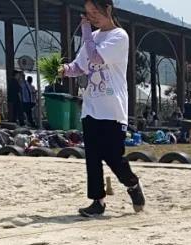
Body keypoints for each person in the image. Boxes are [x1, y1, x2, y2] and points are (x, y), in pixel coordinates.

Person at [60, 0, 145, 217]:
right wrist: (63, 69)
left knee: (113, 156)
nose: (91, 17)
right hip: (91, 107)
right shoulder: (93, 37)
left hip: (113, 109)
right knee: (93, 157)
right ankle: (97, 201)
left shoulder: (119, 36)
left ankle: (132, 184)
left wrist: (87, 32)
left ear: (107, 9)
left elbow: (96, 57)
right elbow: (80, 66)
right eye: (88, 13)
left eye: (95, 12)